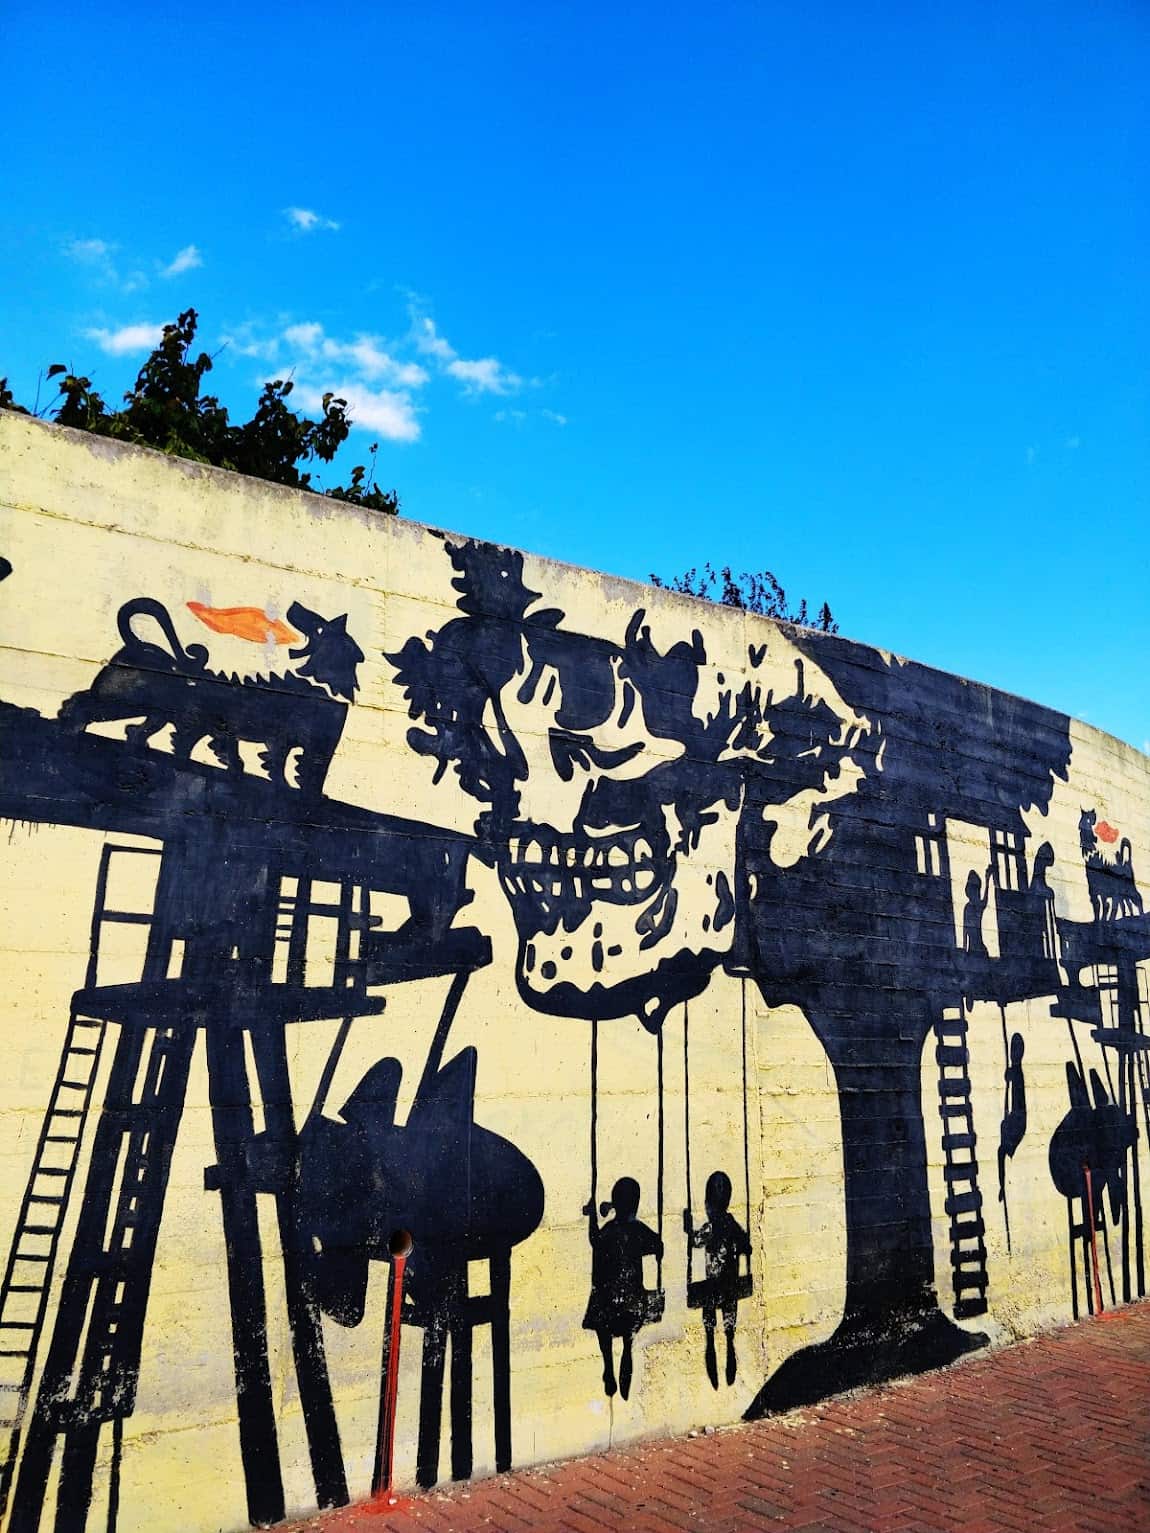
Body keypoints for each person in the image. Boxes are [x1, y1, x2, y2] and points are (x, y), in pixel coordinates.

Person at [582, 1177, 663, 1400]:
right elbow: (657, 1245)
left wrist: (592, 1217)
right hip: (631, 1298)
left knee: (603, 1328)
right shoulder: (639, 1230)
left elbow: (595, 1240)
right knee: (629, 1335)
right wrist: (659, 1249)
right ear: (635, 1203)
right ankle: (626, 1352)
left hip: (608, 1298)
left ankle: (608, 1364)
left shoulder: (609, 1229)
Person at [683, 1170, 752, 1387]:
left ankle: (711, 1343)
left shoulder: (711, 1226)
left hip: (712, 1287)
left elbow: (695, 1241)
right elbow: (747, 1248)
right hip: (730, 1286)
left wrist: (687, 1227)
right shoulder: (733, 1224)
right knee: (729, 1322)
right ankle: (730, 1344)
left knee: (709, 1327)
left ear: (708, 1203)